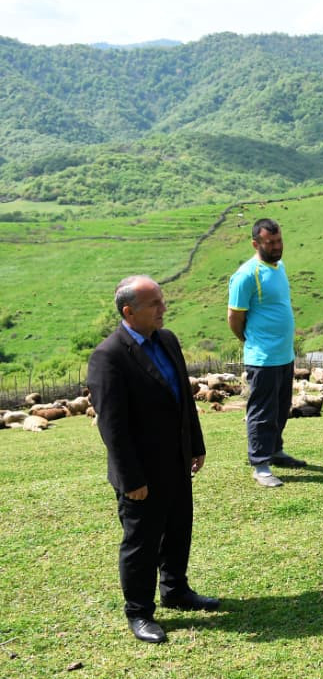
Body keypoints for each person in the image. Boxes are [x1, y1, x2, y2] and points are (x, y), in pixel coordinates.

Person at [86, 276, 219, 644]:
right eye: (155, 304)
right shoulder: (108, 356)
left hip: (176, 460)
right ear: (129, 312)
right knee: (141, 542)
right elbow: (112, 426)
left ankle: (175, 590)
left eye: (162, 300)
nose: (164, 308)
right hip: (141, 471)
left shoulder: (168, 340)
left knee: (178, 529)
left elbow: (183, 399)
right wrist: (131, 479)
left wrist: (195, 443)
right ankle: (139, 612)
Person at [228, 218, 305, 488]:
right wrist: (250, 341)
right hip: (262, 358)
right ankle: (260, 464)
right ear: (255, 243)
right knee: (261, 411)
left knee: (281, 408)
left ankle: (275, 450)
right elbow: (235, 317)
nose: (276, 246)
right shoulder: (247, 275)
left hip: (284, 355)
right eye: (270, 243)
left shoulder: (279, 267)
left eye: (279, 241)